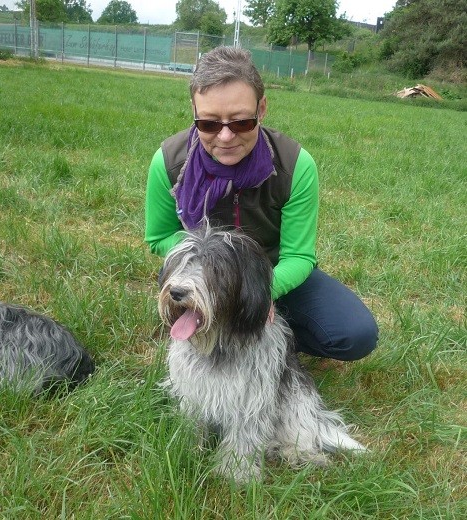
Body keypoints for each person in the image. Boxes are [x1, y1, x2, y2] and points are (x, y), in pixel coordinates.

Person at [145, 46, 378, 361]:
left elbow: (299, 255)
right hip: (200, 267)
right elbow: (159, 237)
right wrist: (209, 263)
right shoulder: (169, 162)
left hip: (274, 273)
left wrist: (258, 292)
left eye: (241, 122)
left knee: (355, 334)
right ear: (194, 111)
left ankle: (277, 340)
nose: (225, 136)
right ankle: (207, 325)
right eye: (210, 124)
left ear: (262, 109)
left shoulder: (296, 165)